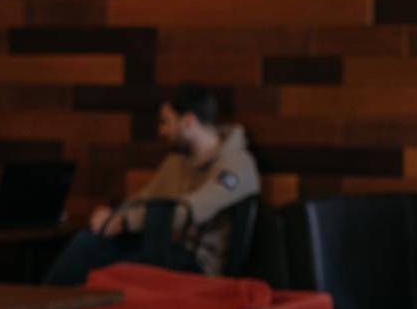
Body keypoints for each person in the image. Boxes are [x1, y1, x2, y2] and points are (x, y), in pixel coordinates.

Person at [45, 86, 258, 284]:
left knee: (117, 269)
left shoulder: (236, 165)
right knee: (89, 242)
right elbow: (142, 200)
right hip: (158, 247)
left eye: (166, 122)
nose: (161, 131)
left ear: (188, 121)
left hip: (196, 263)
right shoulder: (176, 162)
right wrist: (113, 215)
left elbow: (187, 212)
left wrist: (125, 221)